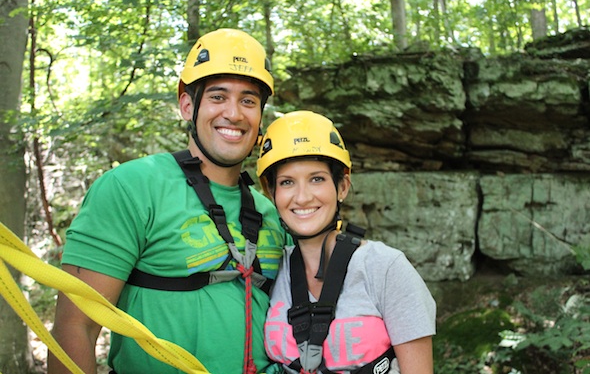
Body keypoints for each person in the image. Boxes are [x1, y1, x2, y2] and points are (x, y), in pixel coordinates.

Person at [48, 29, 289, 374]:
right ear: (187, 105)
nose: (234, 114)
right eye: (218, 97)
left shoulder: (271, 212)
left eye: (248, 101)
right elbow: (76, 327)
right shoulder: (132, 188)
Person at [256, 110, 436, 374]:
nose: (302, 197)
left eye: (317, 179)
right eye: (287, 182)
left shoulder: (385, 268)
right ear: (273, 194)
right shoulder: (274, 269)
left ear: (342, 187)